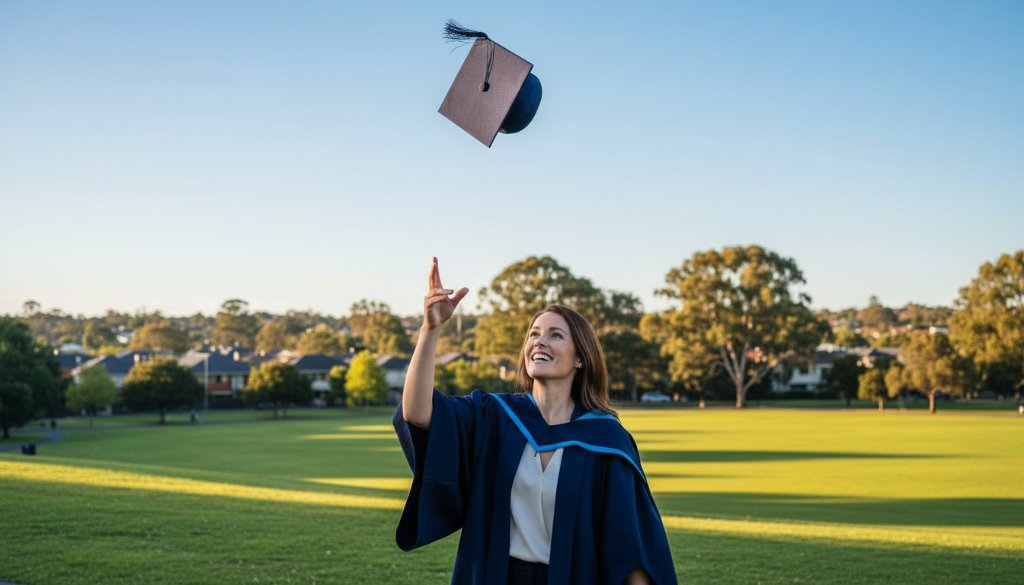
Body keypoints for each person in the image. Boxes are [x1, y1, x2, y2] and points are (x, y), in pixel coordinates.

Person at [393, 258, 677, 584]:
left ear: (581, 358)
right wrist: (431, 329)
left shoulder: (605, 439)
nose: (539, 342)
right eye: (534, 334)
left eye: (555, 335)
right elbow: (416, 412)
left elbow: (628, 543)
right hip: (495, 576)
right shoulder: (495, 416)